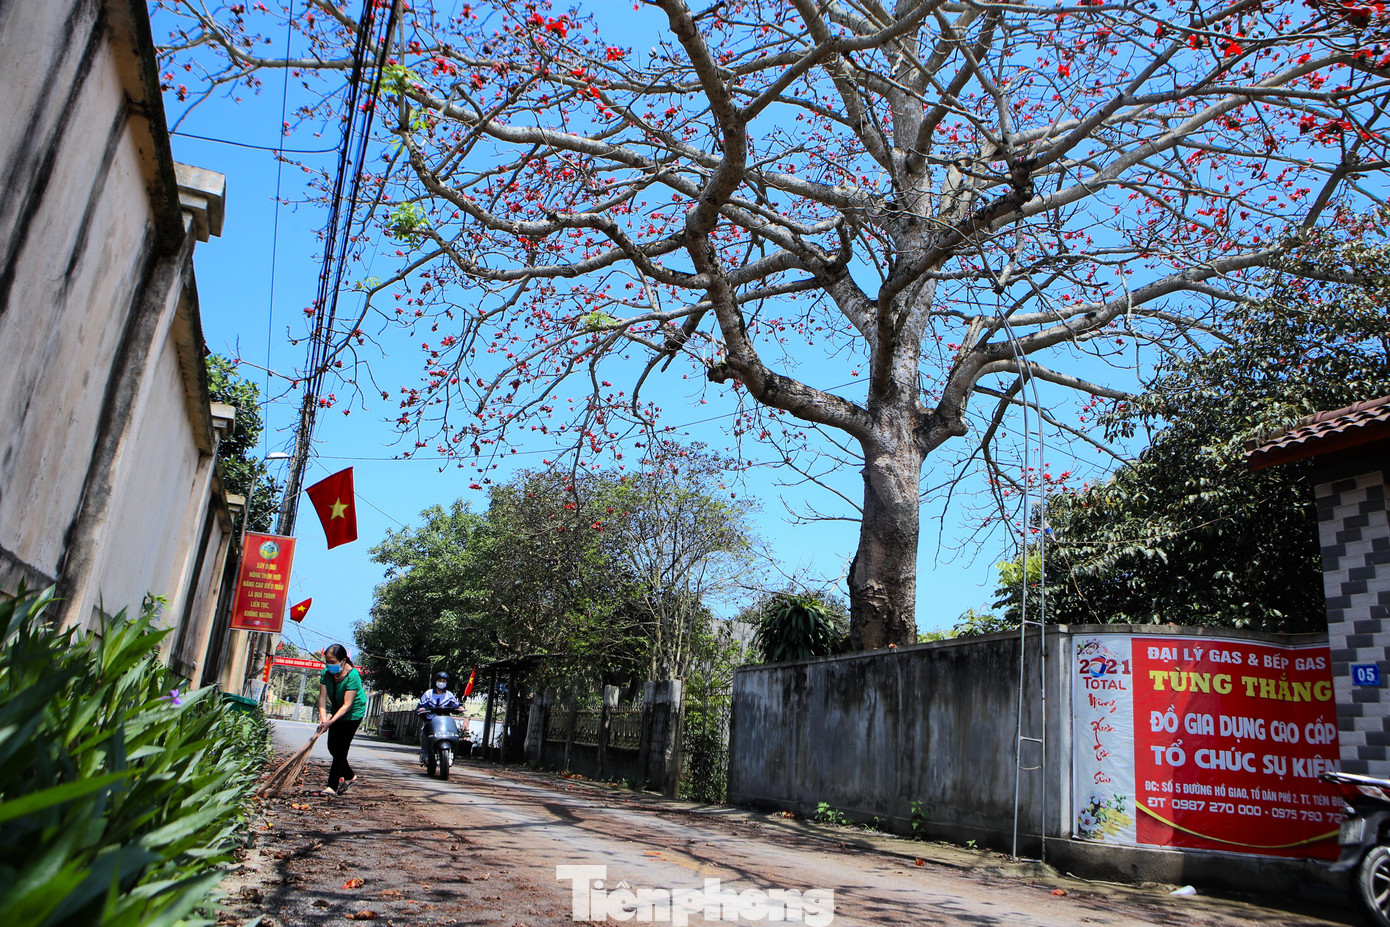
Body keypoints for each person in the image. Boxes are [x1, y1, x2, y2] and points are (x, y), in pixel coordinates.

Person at [317, 643, 366, 796]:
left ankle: (331, 786)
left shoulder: (353, 676)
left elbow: (347, 705)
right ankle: (350, 776)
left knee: (341, 750)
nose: (329, 665)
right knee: (332, 746)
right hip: (336, 708)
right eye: (327, 662)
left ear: (343, 660)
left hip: (353, 713)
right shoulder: (326, 673)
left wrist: (330, 722)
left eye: (333, 662)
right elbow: (322, 698)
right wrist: (323, 718)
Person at [416, 671, 460, 764]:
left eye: (444, 681)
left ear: (447, 683)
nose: (441, 682)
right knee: (424, 731)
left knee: (456, 732)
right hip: (431, 720)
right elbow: (421, 705)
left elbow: (456, 705)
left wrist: (460, 708)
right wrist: (421, 709)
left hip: (445, 721)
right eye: (440, 680)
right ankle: (425, 754)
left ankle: (453, 753)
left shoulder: (449, 695)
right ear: (436, 681)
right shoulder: (428, 693)